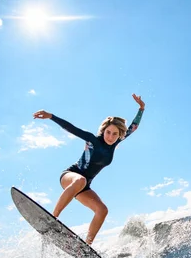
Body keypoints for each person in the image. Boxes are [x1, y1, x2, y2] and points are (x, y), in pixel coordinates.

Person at [33, 93, 145, 245]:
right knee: (80, 179)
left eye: (115, 134)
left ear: (119, 135)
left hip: (84, 186)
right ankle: (52, 218)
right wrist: (51, 116)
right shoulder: (93, 140)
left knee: (102, 210)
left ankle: (86, 246)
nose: (111, 137)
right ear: (103, 130)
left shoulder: (116, 142)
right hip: (71, 176)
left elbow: (133, 127)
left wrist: (141, 108)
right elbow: (71, 128)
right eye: (108, 132)